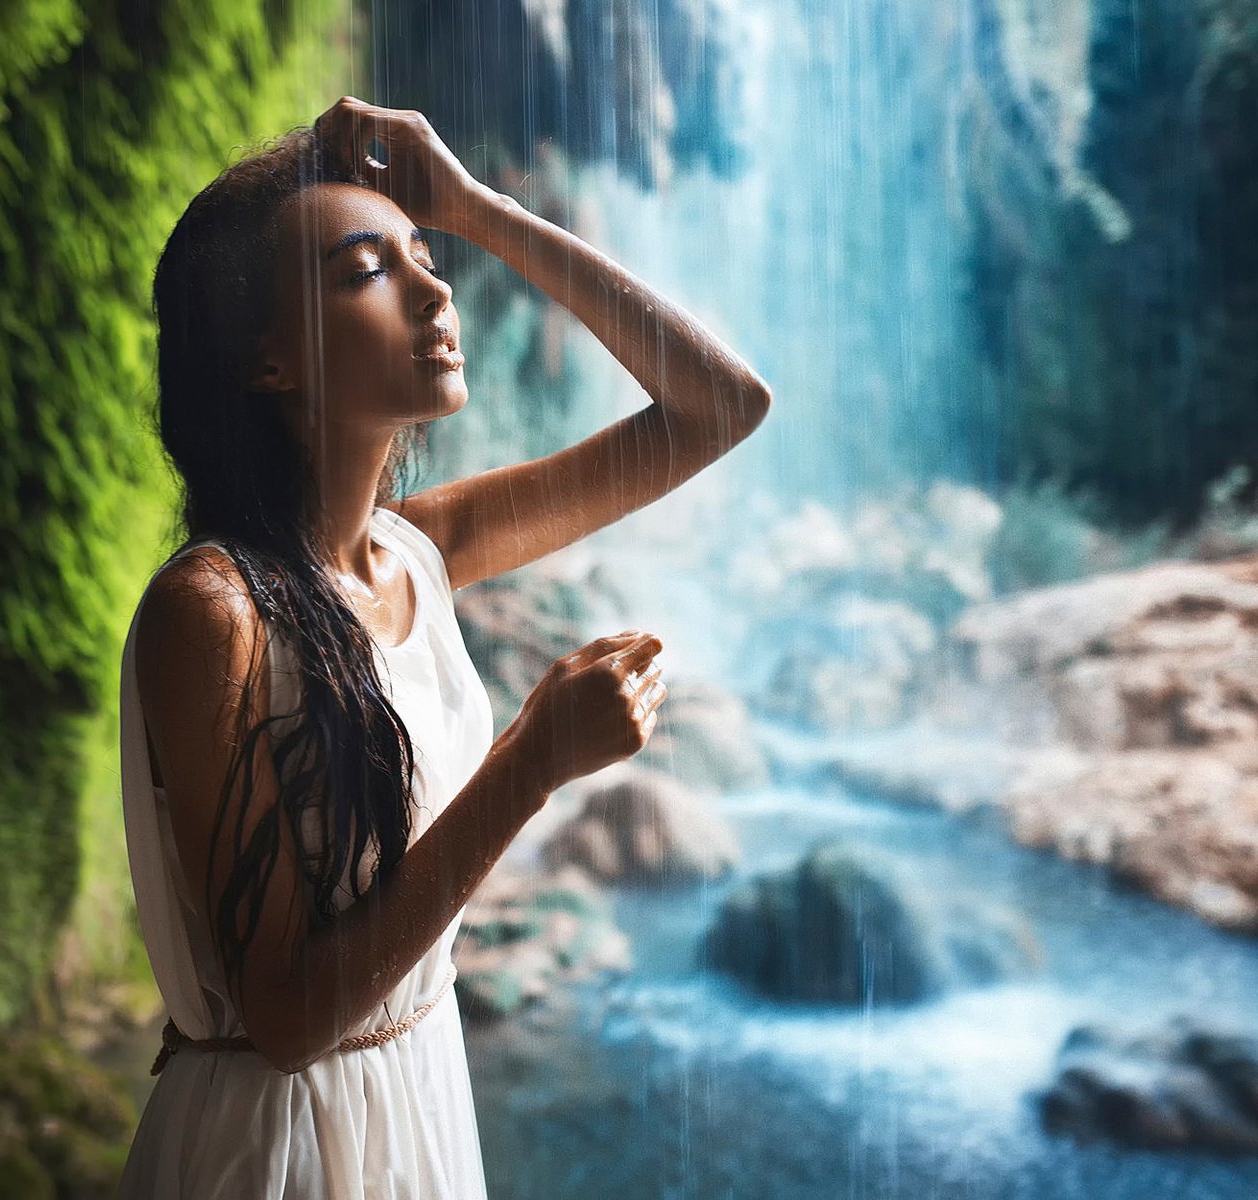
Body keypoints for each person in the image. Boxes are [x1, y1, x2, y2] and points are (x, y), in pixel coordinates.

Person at [117, 95, 773, 1198]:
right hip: (275, 1147)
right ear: (268, 360)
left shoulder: (417, 549)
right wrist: (531, 763)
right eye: (369, 270)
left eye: (431, 257)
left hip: (418, 1094)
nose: (437, 289)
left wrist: (479, 209)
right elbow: (285, 1019)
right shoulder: (213, 613)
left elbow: (720, 406)